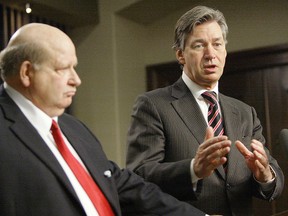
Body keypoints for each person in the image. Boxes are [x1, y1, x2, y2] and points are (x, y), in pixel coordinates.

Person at [0, 23, 209, 216]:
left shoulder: (74, 128)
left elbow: (126, 188)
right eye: (63, 69)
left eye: (74, 67)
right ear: (27, 72)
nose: (76, 80)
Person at [126, 5, 284, 216]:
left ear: (225, 51)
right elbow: (139, 177)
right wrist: (193, 169)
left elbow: (274, 182)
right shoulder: (153, 105)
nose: (211, 54)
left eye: (217, 44)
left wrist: (263, 174)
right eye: (199, 46)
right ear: (180, 54)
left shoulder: (245, 112)